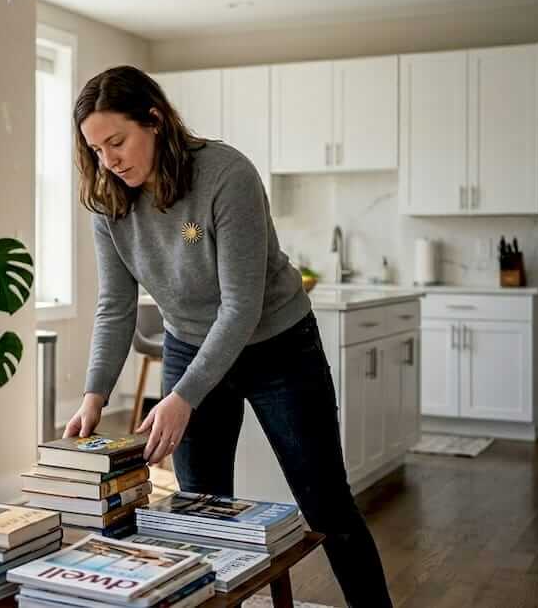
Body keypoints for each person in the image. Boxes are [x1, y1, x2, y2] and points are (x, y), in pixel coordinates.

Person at [61, 66, 392, 607]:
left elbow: (241, 307)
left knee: (326, 505)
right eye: (96, 150)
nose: (109, 160)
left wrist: (182, 397)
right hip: (189, 344)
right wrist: (93, 396)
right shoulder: (108, 200)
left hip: (279, 347)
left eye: (116, 142)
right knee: (199, 512)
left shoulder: (225, 175)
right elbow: (115, 306)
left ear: (154, 120)